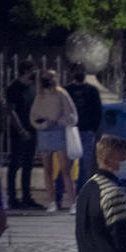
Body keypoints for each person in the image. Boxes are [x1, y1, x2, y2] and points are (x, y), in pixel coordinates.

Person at [30, 70, 78, 212]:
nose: (47, 80)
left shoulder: (61, 94)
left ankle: (72, 202)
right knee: (47, 170)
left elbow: (72, 115)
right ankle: (52, 202)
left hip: (58, 133)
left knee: (65, 170)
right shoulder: (40, 95)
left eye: (49, 78)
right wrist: (41, 124)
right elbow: (33, 115)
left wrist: (58, 122)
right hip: (44, 133)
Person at [6, 62, 40, 209]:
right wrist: (21, 130)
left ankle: (27, 197)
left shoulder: (31, 87)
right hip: (19, 132)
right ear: (26, 71)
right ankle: (13, 198)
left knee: (28, 165)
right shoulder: (13, 88)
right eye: (33, 70)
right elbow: (11, 111)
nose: (35, 73)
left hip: (32, 130)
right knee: (15, 164)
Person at [66, 63, 103, 187]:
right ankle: (60, 195)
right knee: (66, 165)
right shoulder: (67, 90)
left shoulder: (92, 90)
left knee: (85, 165)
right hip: (70, 131)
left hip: (87, 131)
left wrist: (93, 128)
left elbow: (97, 110)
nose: (80, 73)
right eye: (77, 70)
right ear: (72, 73)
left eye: (82, 70)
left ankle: (81, 194)